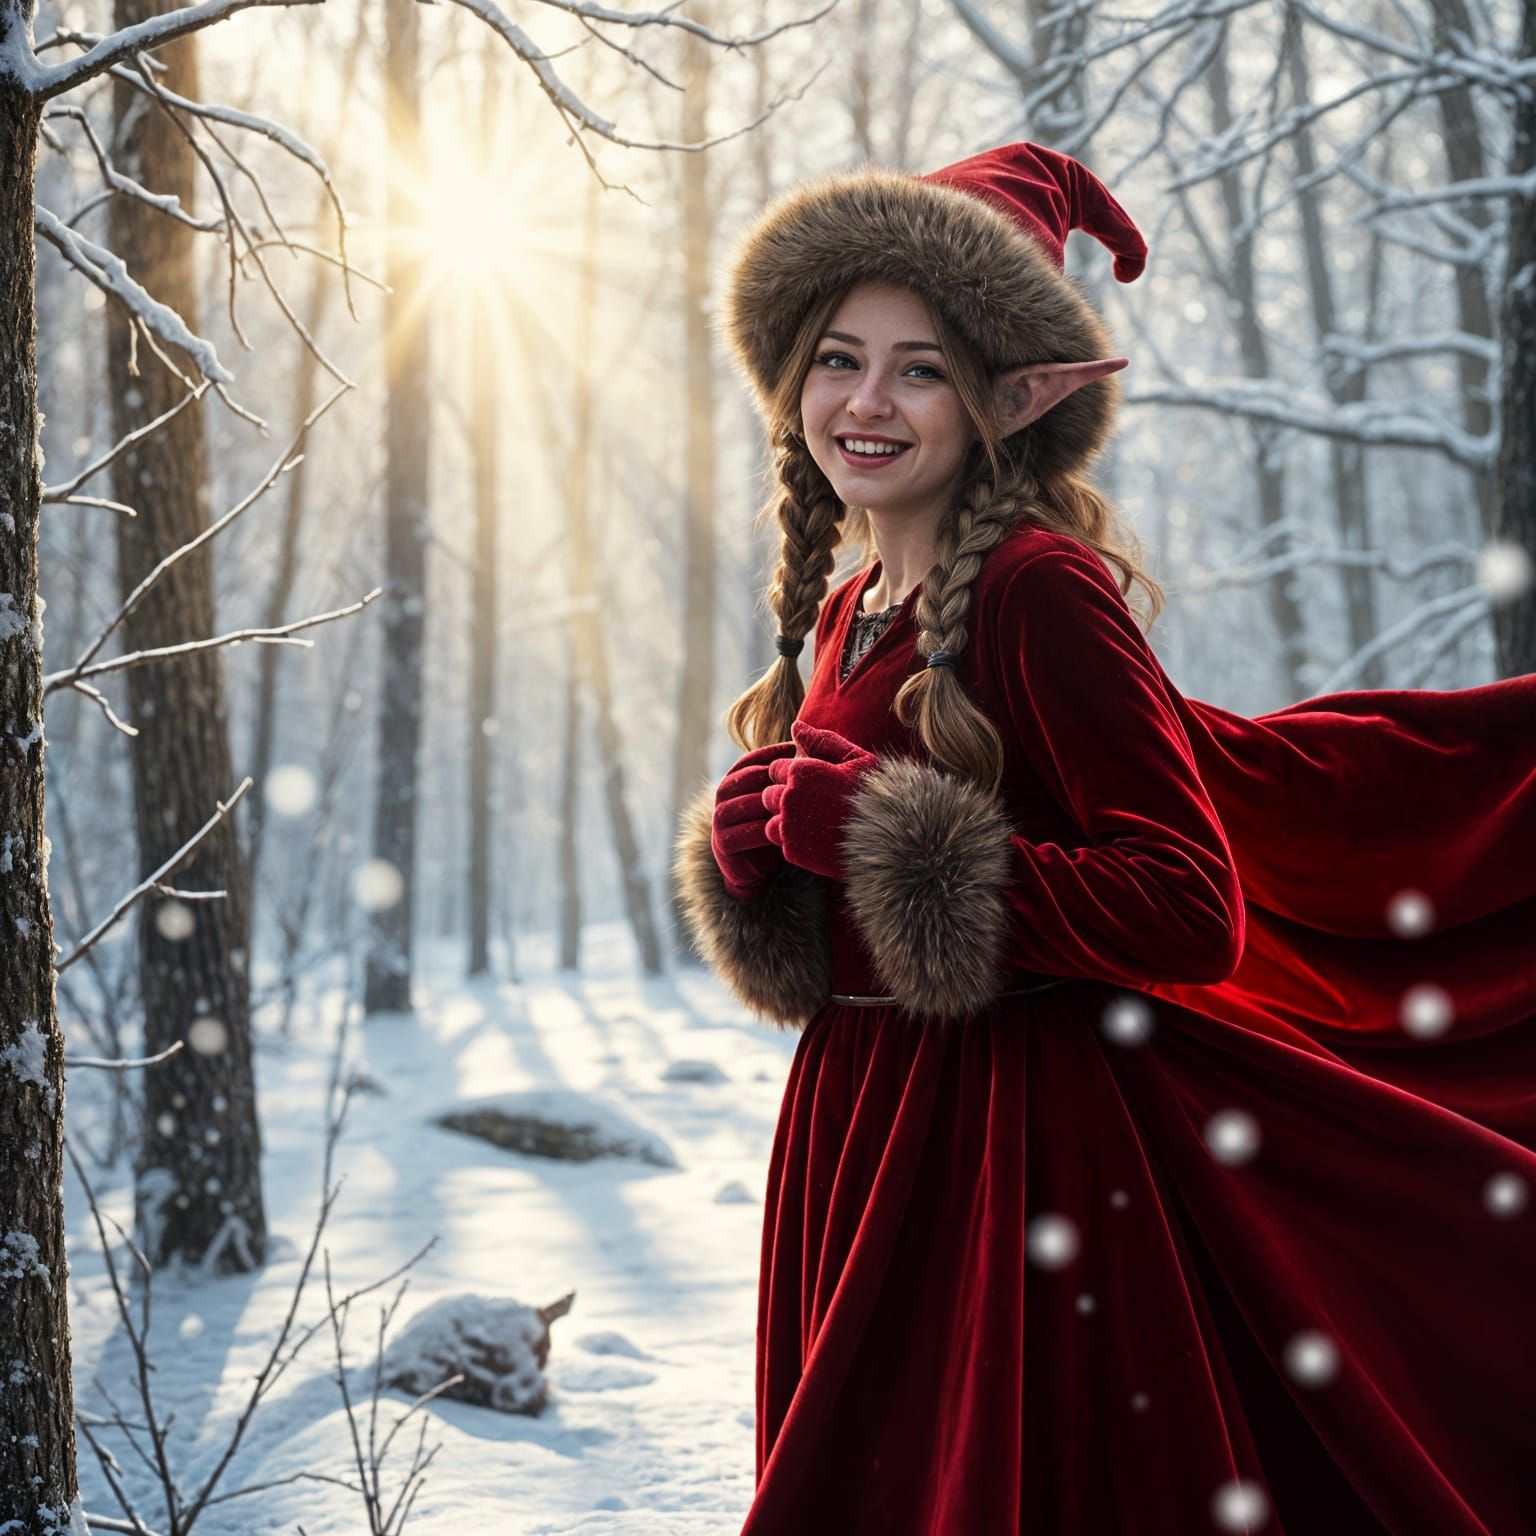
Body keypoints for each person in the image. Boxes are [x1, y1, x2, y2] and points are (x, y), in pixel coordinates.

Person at [672, 142, 1536, 1535]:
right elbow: (867, 892)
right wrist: (759, 861)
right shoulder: (847, 610)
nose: (868, 402)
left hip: (1011, 1147)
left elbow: (1188, 904)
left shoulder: (1042, 592)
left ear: (1005, 403)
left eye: (921, 368)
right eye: (839, 358)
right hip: (865, 1120)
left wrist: (880, 834)